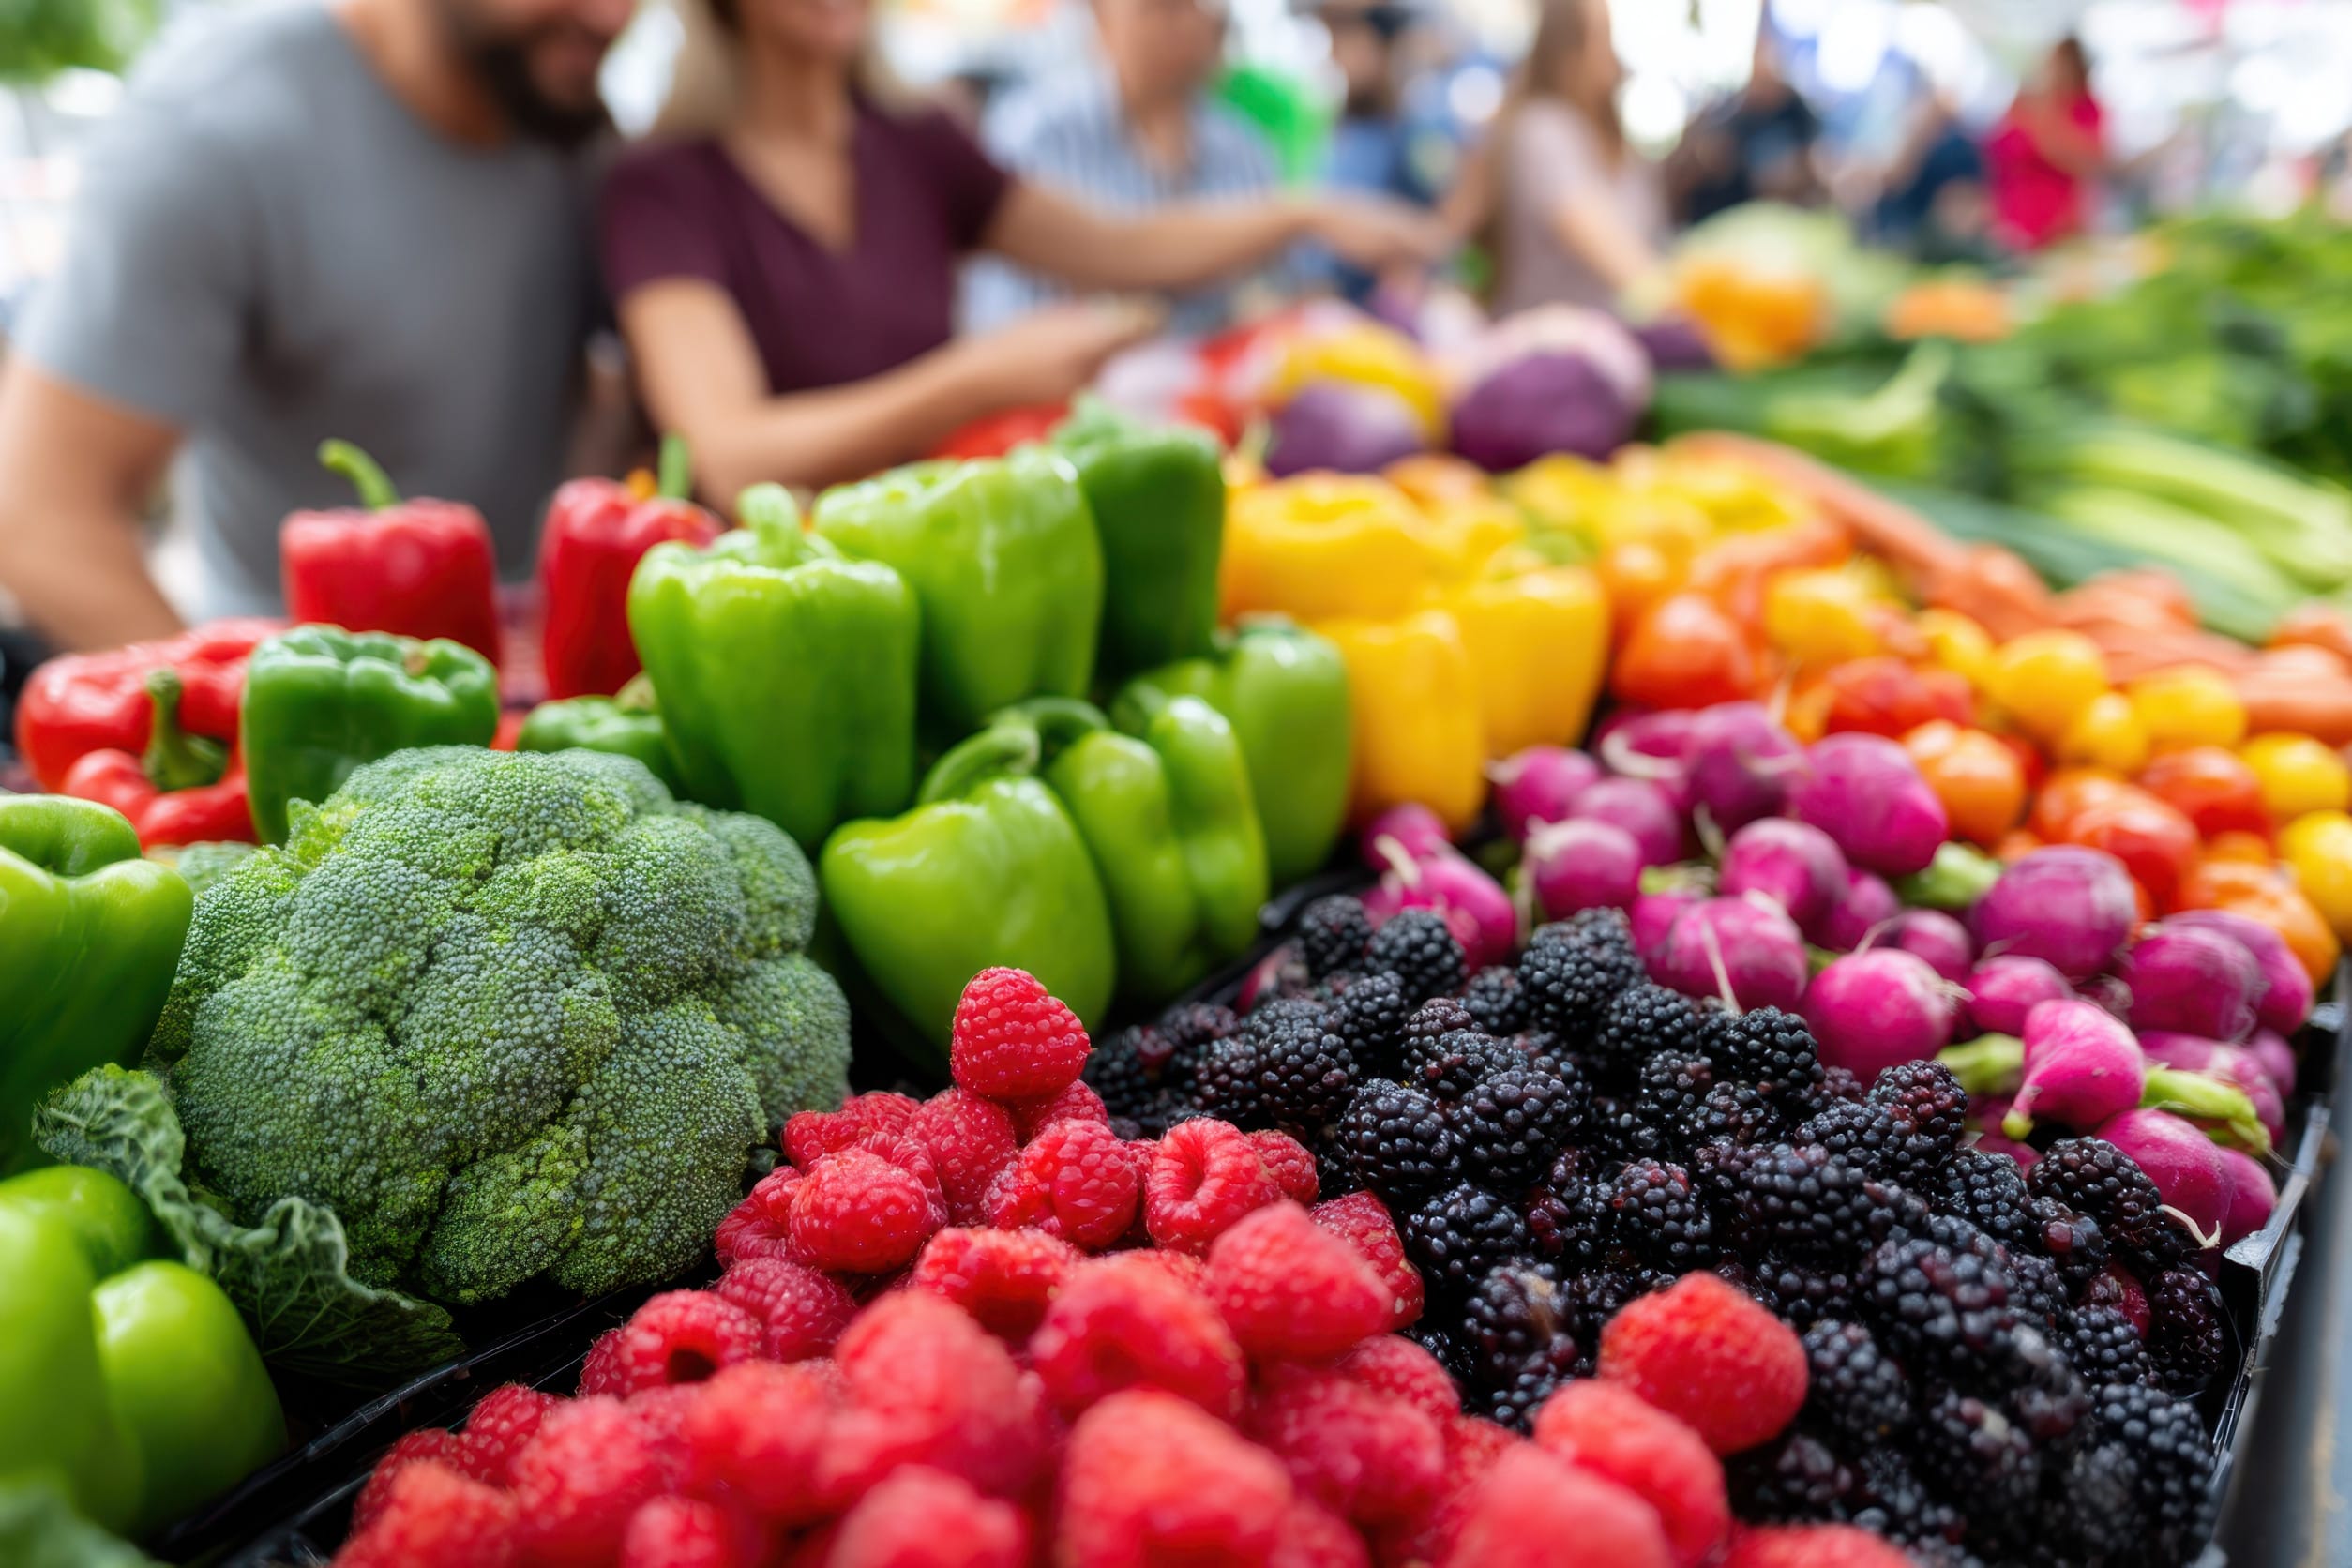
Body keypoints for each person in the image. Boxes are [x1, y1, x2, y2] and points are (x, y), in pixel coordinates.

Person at [601, 0, 1441, 497]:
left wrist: (1302, 213)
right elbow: (727, 454)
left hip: (931, 561)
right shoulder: (662, 186)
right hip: (738, 596)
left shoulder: (918, 145)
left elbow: (1123, 243)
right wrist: (979, 381)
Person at [0, 0, 632, 650]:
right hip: (312, 709)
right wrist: (228, 724)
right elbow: (38, 517)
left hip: (537, 710)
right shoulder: (210, 135)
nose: (614, 16)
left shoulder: (570, 120)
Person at [961, 0, 1281, 335]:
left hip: (1219, 380)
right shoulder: (1033, 133)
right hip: (1065, 381)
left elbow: (1271, 291)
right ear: (1101, 18)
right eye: (1162, 8)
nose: (1186, 24)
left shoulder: (1244, 148)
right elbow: (1000, 310)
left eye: (1198, 8)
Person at [1443, 0, 1665, 317]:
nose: (1614, 50)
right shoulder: (1542, 129)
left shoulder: (1611, 139)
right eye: (1603, 34)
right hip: (1553, 342)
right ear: (1566, 47)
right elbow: (1624, 265)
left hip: (1615, 334)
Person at [1672, 28, 1822, 223]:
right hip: (1741, 216)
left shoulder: (1798, 110)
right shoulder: (1732, 113)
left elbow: (1815, 160)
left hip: (1791, 213)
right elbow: (1713, 161)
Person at [1985, 36, 2103, 251]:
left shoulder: (2084, 107)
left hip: (2062, 223)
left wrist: (2042, 123)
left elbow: (2086, 162)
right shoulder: (2021, 104)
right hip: (2014, 223)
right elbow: (1997, 155)